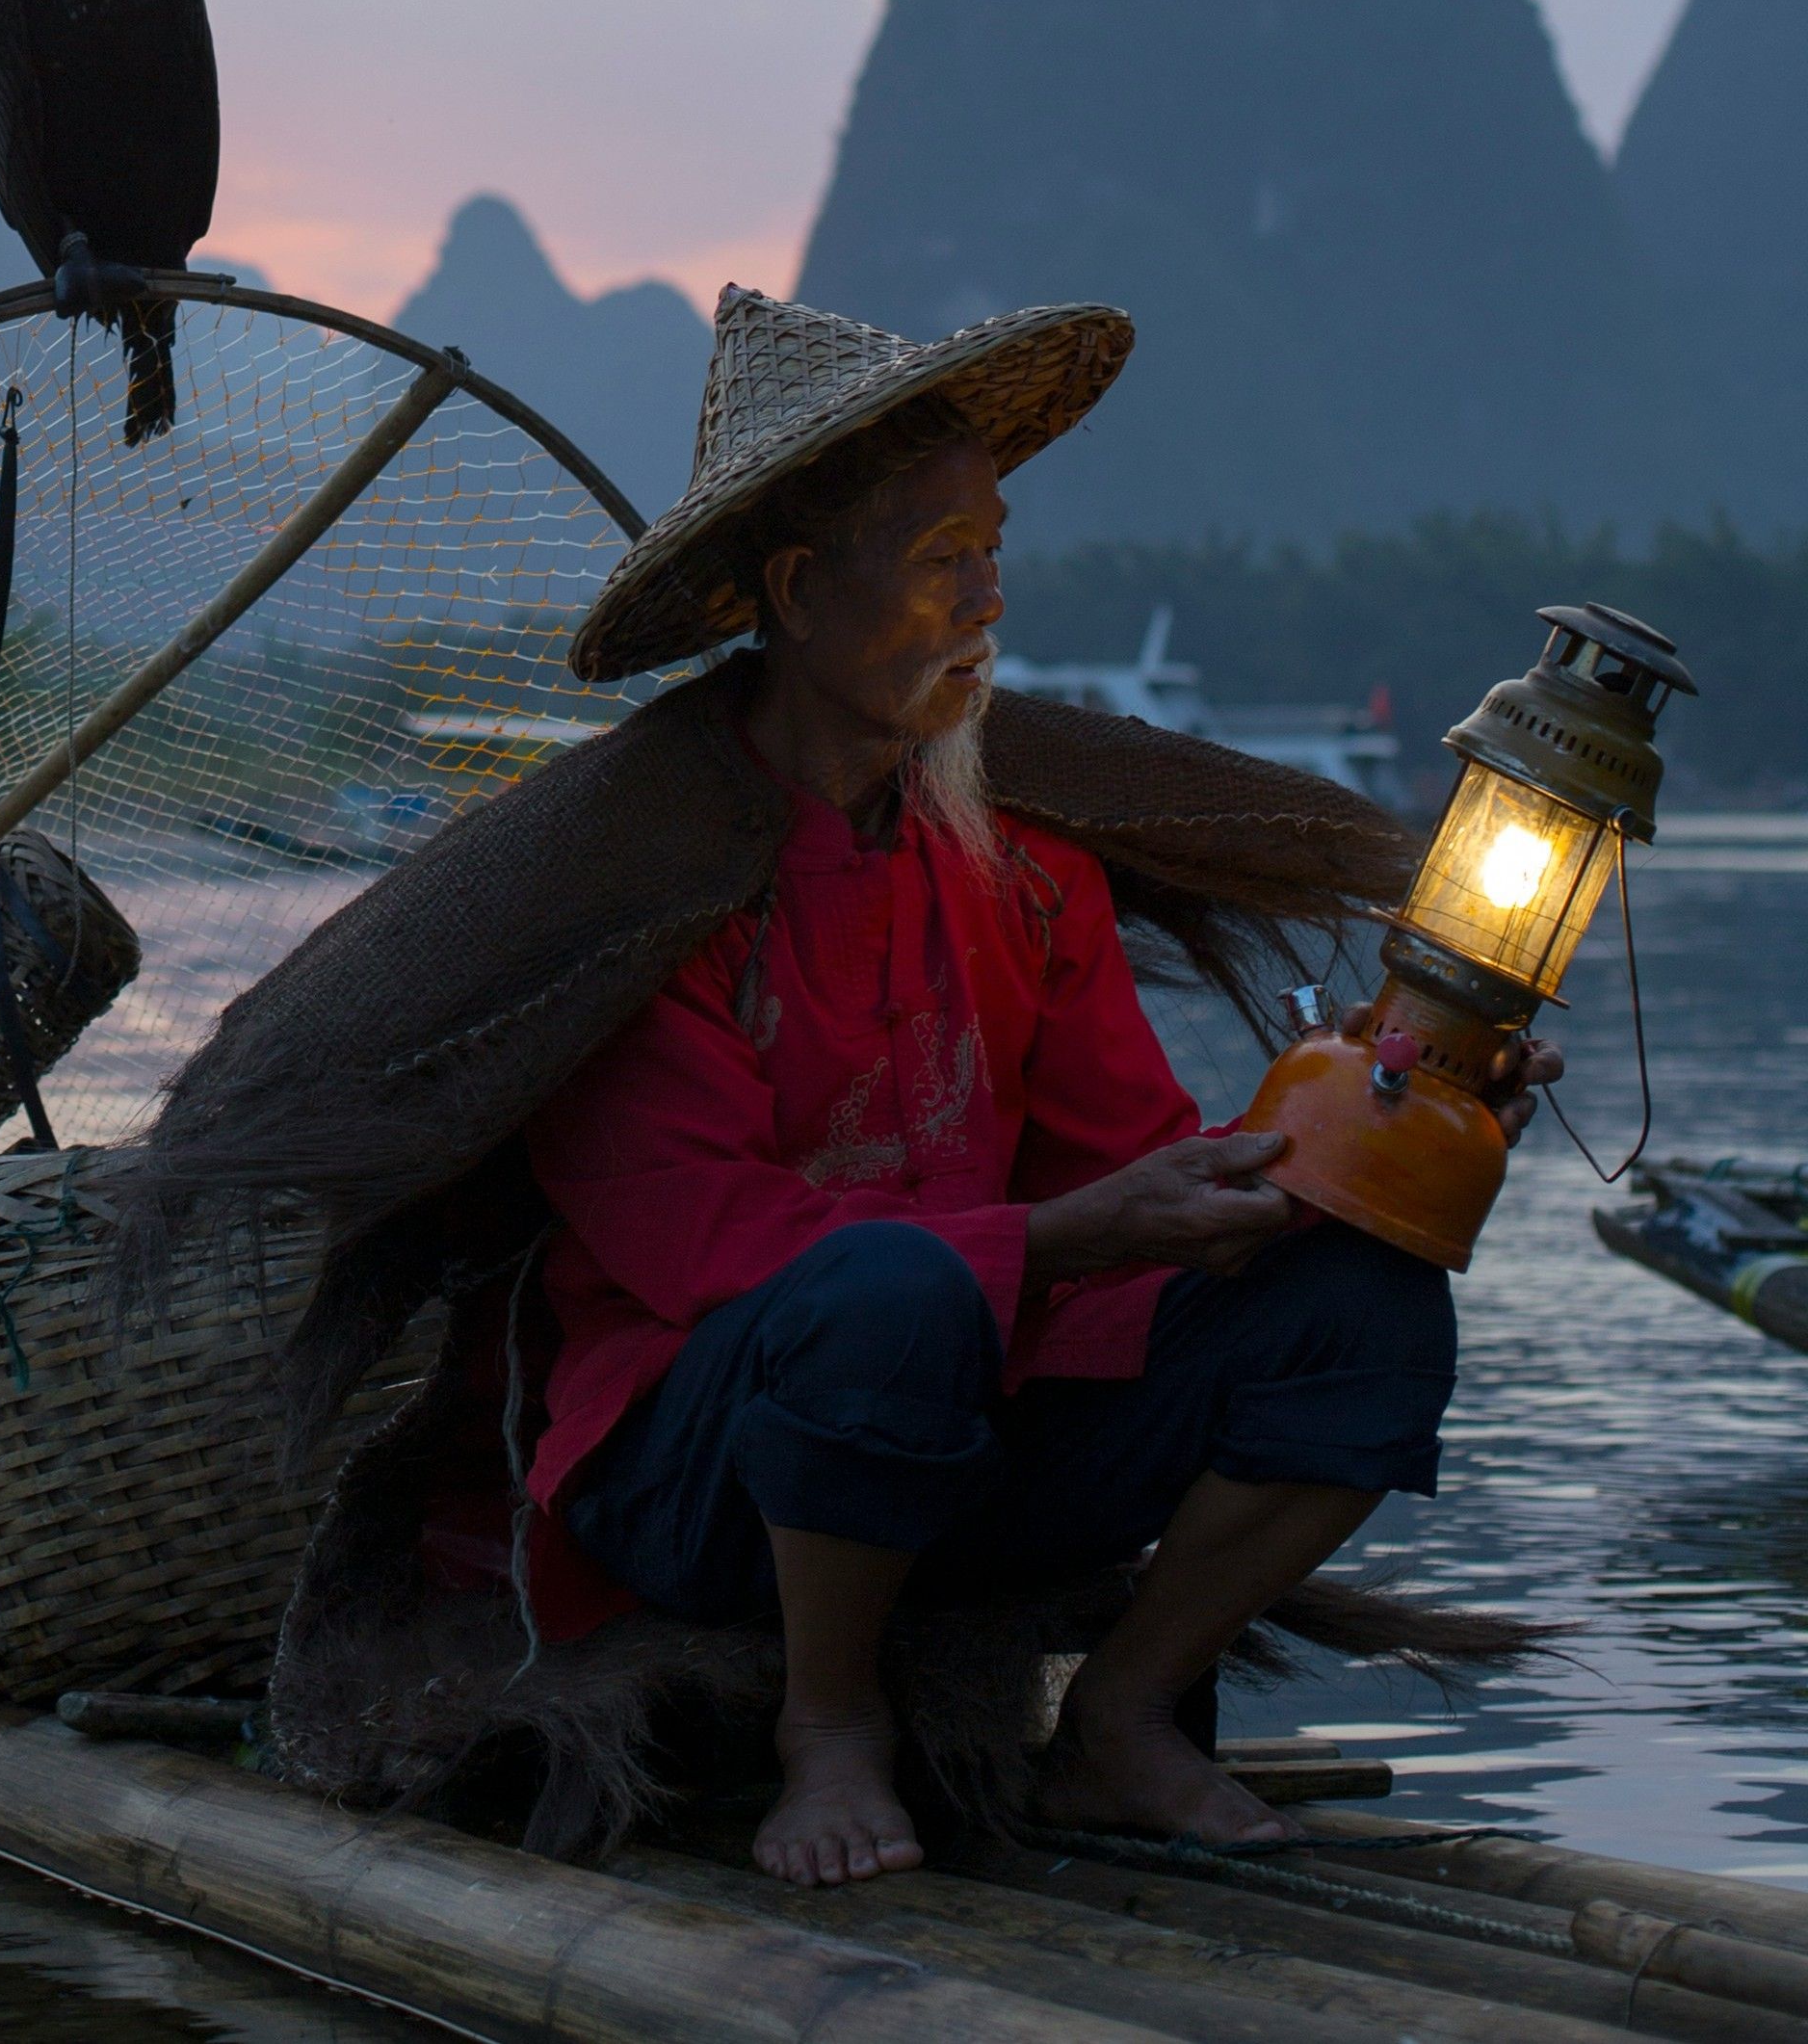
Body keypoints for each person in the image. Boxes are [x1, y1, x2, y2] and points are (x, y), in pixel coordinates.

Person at [118, 285, 1559, 1882]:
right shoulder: (641, 890)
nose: (987, 598)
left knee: (1363, 1303)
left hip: (964, 1423)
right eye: (944, 557)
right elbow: (716, 1250)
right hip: (705, 1467)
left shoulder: (1017, 864)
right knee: (882, 1290)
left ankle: (1124, 1720)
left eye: (995, 549)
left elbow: (1138, 1160)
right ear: (801, 591)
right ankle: (830, 1730)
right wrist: (1065, 1241)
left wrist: (1366, 1104)